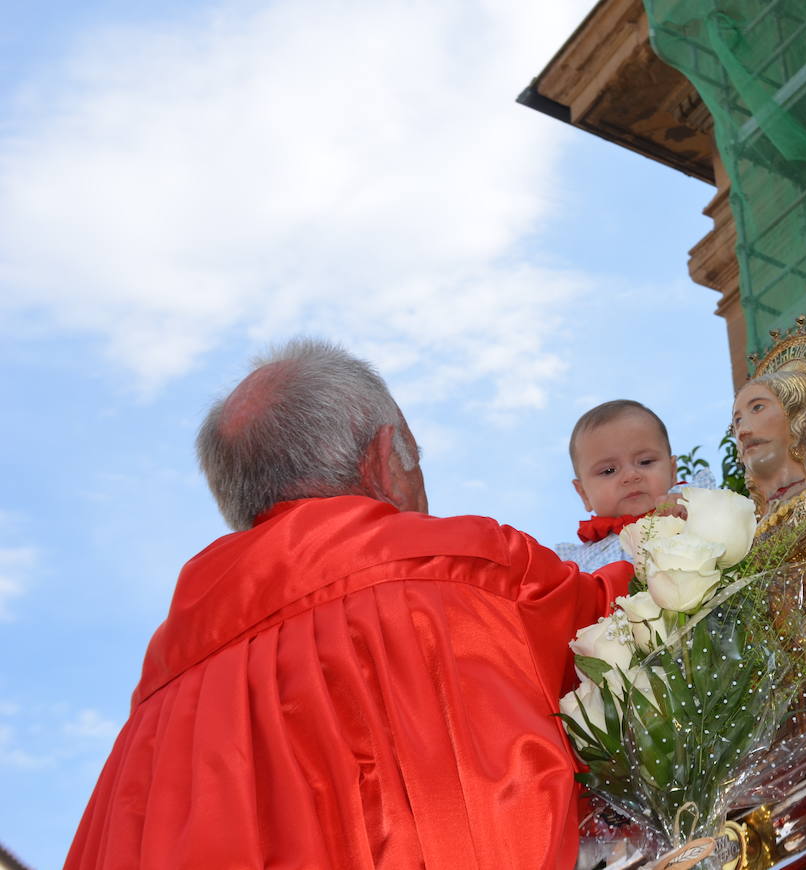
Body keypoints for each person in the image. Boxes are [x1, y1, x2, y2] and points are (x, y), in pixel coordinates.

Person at [64, 338, 631, 870]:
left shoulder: (152, 712)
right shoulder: (469, 572)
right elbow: (635, 639)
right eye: (416, 458)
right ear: (385, 458)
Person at [554, 400, 703, 573]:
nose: (631, 476)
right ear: (584, 494)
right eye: (609, 471)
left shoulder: (689, 507)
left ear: (672, 472)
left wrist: (692, 516)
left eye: (645, 462)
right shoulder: (576, 563)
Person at [732, 365, 806, 512]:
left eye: (757, 407)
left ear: (796, 414)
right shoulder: (747, 530)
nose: (742, 432)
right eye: (737, 421)